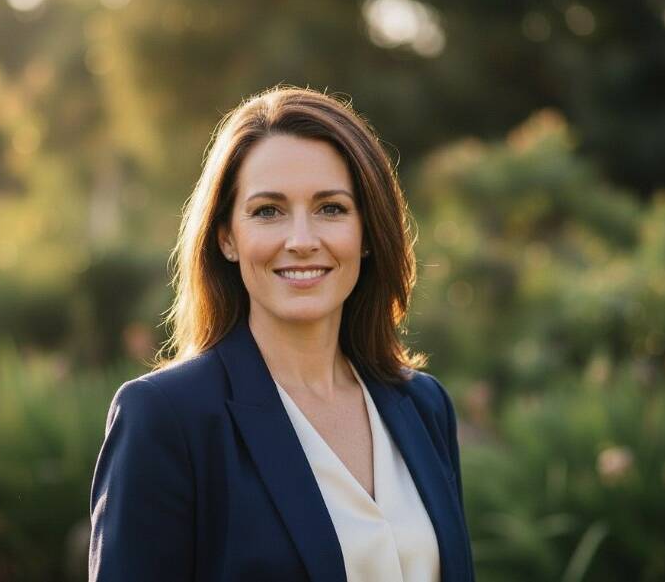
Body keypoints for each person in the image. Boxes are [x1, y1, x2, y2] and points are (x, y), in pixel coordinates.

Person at [89, 86, 475, 582]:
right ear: (227, 237)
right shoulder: (167, 418)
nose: (301, 241)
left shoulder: (423, 405)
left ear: (367, 232)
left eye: (331, 208)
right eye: (268, 211)